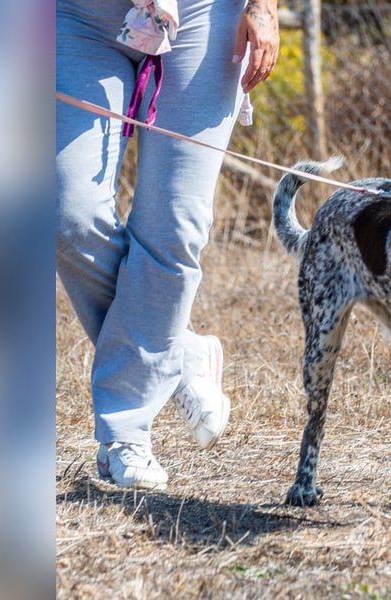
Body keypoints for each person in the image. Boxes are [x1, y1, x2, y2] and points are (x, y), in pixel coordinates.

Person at [56, 0, 279, 489]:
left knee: (173, 226)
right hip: (78, 18)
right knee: (66, 212)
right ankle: (179, 353)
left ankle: (124, 433)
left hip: (204, 15)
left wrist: (263, 7)